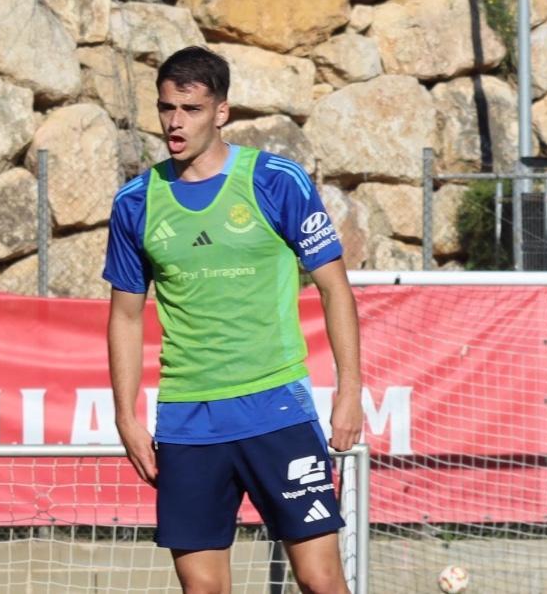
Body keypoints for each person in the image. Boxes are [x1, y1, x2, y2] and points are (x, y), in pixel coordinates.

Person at [104, 46, 363, 594]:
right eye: (166, 107)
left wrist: (349, 390)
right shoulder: (135, 202)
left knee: (320, 580)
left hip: (277, 409)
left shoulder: (275, 180)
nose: (175, 122)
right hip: (187, 420)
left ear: (221, 111)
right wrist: (126, 414)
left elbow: (334, 286)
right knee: (203, 590)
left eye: (191, 109)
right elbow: (126, 315)